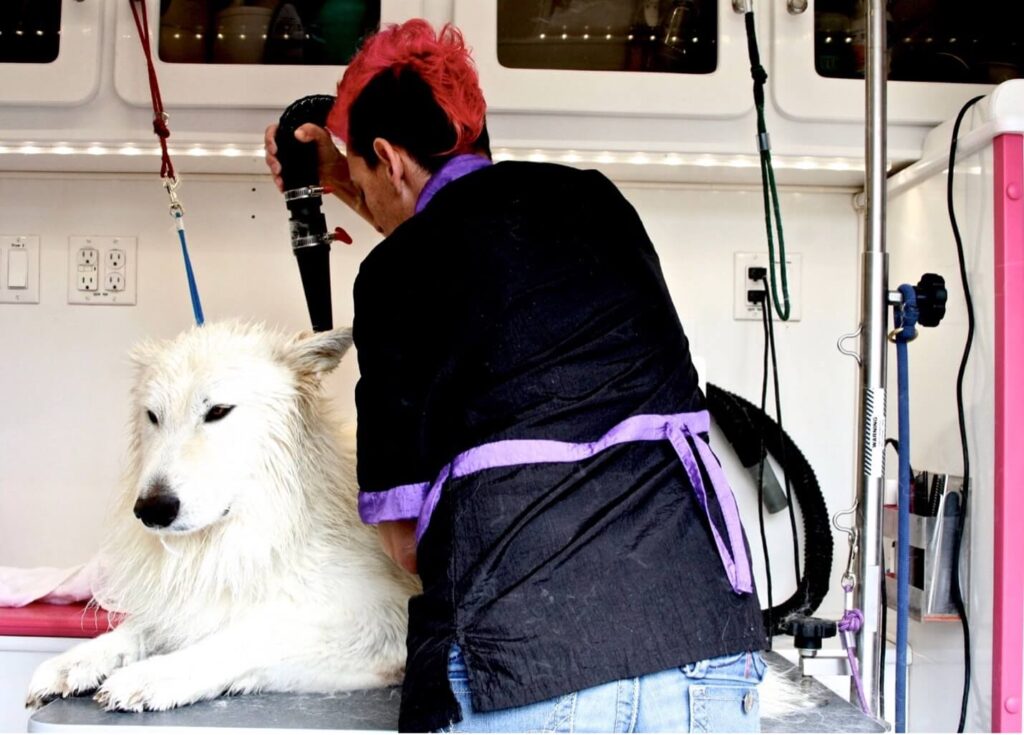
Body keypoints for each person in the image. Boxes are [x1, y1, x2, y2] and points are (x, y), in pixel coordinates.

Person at [265, 19, 767, 733]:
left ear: (387, 156)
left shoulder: (395, 277)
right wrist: (353, 184)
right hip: (703, 648)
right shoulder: (598, 203)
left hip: (522, 674)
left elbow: (407, 543)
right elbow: (474, 242)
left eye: (365, 173)